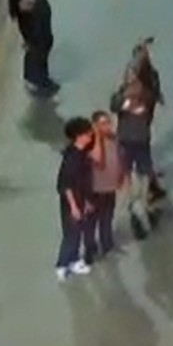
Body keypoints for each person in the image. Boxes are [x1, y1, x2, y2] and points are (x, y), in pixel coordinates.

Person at [110, 76, 161, 236]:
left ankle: (143, 203)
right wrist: (125, 97)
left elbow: (151, 99)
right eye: (131, 85)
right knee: (128, 174)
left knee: (144, 172)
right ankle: (134, 206)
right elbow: (115, 105)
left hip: (141, 142)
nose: (134, 89)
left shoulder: (146, 98)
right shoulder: (121, 100)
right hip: (127, 142)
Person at [55, 117, 96, 280]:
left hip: (81, 198)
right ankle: (62, 264)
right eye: (88, 133)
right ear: (79, 136)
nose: (91, 135)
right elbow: (65, 185)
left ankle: (73, 260)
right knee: (71, 233)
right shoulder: (73, 159)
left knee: (77, 231)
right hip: (72, 201)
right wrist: (74, 206)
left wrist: (86, 201)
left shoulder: (79, 153)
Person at [88, 109, 127, 258]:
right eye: (103, 124)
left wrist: (122, 175)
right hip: (95, 188)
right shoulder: (90, 142)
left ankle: (107, 246)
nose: (108, 126)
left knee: (107, 218)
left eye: (108, 122)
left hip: (110, 186)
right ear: (95, 125)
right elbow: (97, 159)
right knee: (92, 221)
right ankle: (90, 250)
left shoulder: (114, 138)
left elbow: (121, 156)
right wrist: (97, 135)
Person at [19, 0, 58, 94]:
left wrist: (30, 41)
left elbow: (36, 27)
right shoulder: (43, 4)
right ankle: (41, 81)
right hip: (44, 39)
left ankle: (40, 81)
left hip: (40, 41)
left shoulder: (37, 8)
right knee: (39, 61)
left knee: (38, 60)